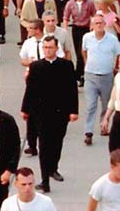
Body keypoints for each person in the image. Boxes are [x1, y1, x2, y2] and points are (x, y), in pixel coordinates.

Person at [21, 35, 78, 193]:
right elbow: (30, 90)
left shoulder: (66, 65)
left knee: (57, 142)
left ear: (56, 48)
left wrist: (74, 111)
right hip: (41, 113)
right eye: (45, 48)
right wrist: (25, 109)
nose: (47, 50)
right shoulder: (36, 66)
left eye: (50, 47)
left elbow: (72, 90)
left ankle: (53, 168)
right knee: (44, 145)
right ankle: (44, 180)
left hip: (61, 112)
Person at [81, 14, 120, 147]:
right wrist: (86, 63)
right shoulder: (87, 37)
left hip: (106, 75)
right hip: (91, 76)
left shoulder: (112, 39)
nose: (98, 25)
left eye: (101, 23)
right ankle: (88, 132)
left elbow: (118, 54)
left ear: (105, 24)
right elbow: (84, 51)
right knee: (90, 105)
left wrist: (115, 68)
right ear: (92, 25)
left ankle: (104, 126)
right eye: (96, 23)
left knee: (106, 104)